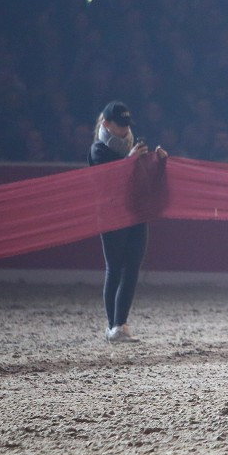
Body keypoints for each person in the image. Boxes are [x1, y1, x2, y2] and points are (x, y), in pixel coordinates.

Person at [88, 101, 168, 343]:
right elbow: (107, 181)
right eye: (120, 125)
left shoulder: (133, 147)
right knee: (115, 268)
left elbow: (144, 180)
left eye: (126, 125)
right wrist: (130, 160)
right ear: (107, 124)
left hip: (136, 212)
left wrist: (159, 162)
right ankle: (113, 325)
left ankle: (121, 324)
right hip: (112, 214)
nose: (125, 130)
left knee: (132, 268)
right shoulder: (98, 149)